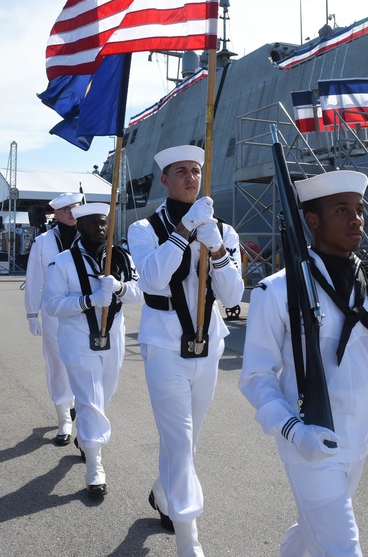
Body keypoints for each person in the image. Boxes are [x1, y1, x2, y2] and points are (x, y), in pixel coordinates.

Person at [238, 170, 368, 557]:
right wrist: (291, 429)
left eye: (359, 210)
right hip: (307, 441)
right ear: (313, 221)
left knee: (312, 533)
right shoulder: (278, 291)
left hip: (357, 442)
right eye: (342, 210)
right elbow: (256, 377)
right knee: (341, 548)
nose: (356, 219)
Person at [127, 145, 244, 557]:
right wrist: (182, 232)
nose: (191, 178)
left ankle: (164, 491)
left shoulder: (222, 229)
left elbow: (233, 294)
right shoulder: (143, 228)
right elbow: (154, 280)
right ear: (165, 179)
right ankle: (188, 540)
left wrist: (217, 250)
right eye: (181, 172)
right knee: (179, 438)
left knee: (189, 439)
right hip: (164, 345)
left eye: (195, 171)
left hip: (209, 343)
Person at [42, 202, 141, 499]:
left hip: (113, 338)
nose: (101, 229)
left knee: (104, 395)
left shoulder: (122, 258)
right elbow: (51, 305)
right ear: (80, 226)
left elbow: (141, 294)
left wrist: (120, 288)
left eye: (104, 223)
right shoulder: (62, 262)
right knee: (89, 400)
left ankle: (86, 437)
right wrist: (87, 300)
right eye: (94, 224)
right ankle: (95, 466)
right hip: (78, 339)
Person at [24, 193, 81, 445]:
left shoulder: (89, 235)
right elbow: (34, 278)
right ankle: (63, 418)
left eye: (75, 208)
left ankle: (82, 408)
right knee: (57, 364)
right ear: (56, 214)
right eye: (66, 209)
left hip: (83, 310)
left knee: (84, 363)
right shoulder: (43, 242)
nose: (71, 213)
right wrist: (31, 313)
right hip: (53, 311)